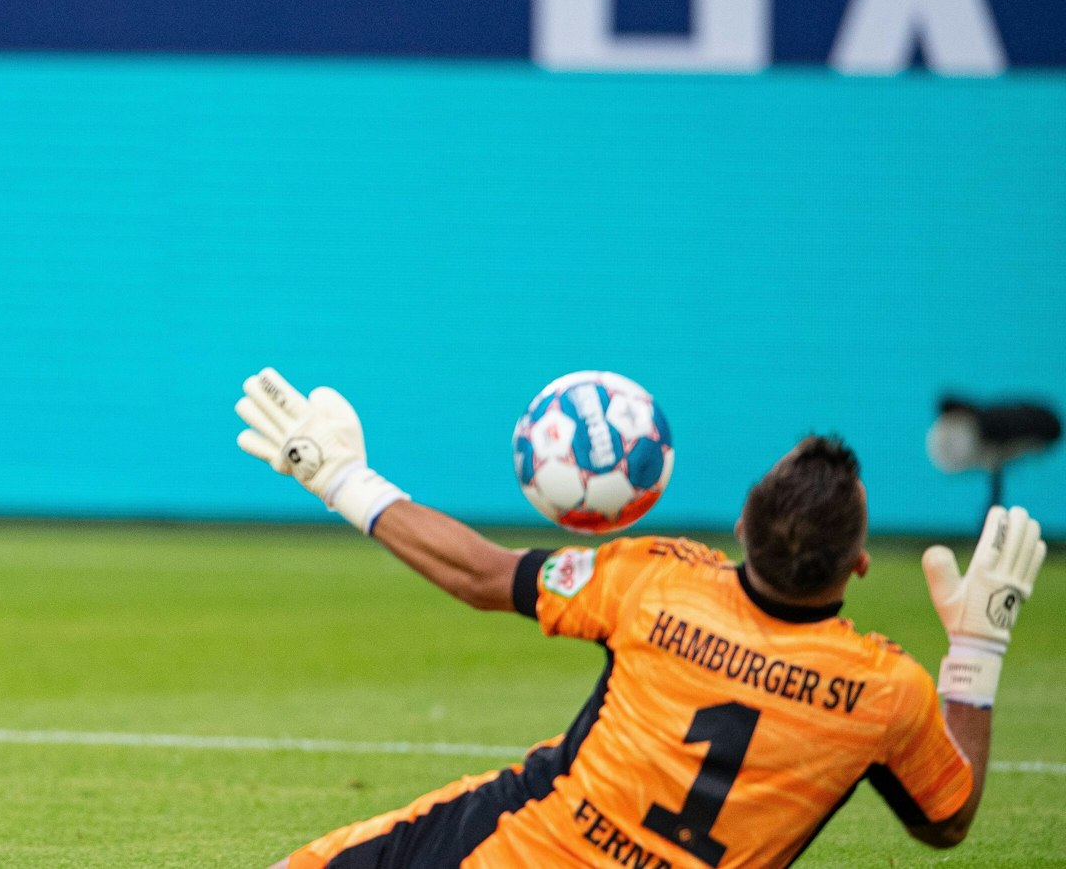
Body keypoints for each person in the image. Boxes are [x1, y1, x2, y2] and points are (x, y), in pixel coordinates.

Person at [234, 367, 1044, 868]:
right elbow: (947, 819)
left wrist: (338, 475)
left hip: (509, 849)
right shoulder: (886, 690)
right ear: (860, 563)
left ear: (741, 527)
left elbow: (482, 575)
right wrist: (976, 650)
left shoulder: (657, 582)